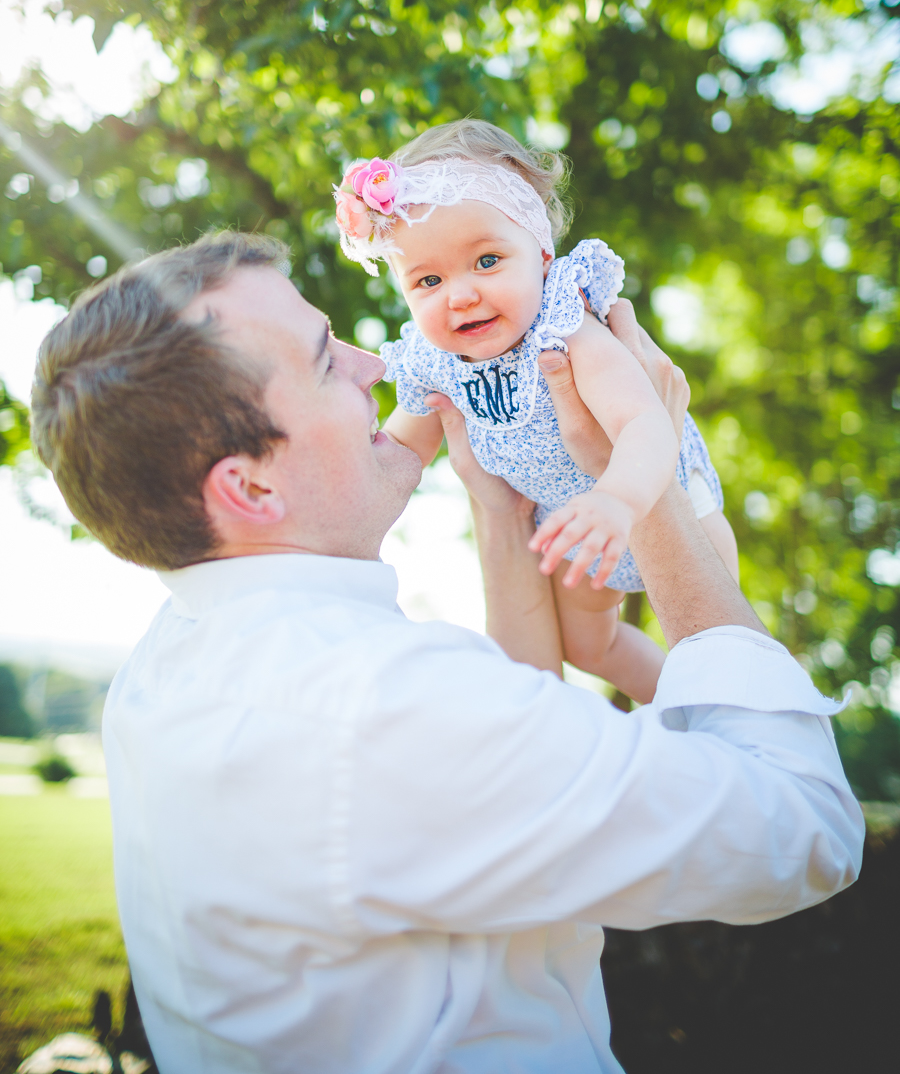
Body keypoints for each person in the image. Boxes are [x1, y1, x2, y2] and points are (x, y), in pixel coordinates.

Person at [30, 231, 863, 1074]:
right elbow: (804, 827)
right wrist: (654, 490)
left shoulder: (169, 667)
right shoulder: (381, 708)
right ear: (248, 487)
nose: (376, 365)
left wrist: (500, 520)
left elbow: (512, 777)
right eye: (326, 363)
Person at [334, 118, 737, 703]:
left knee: (717, 644)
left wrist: (620, 500)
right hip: (576, 528)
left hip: (662, 496)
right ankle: (686, 715)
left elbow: (644, 420)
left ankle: (722, 704)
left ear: (542, 255)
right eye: (427, 279)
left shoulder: (564, 327)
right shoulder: (435, 362)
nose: (461, 294)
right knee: (590, 648)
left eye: (488, 261)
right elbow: (395, 454)